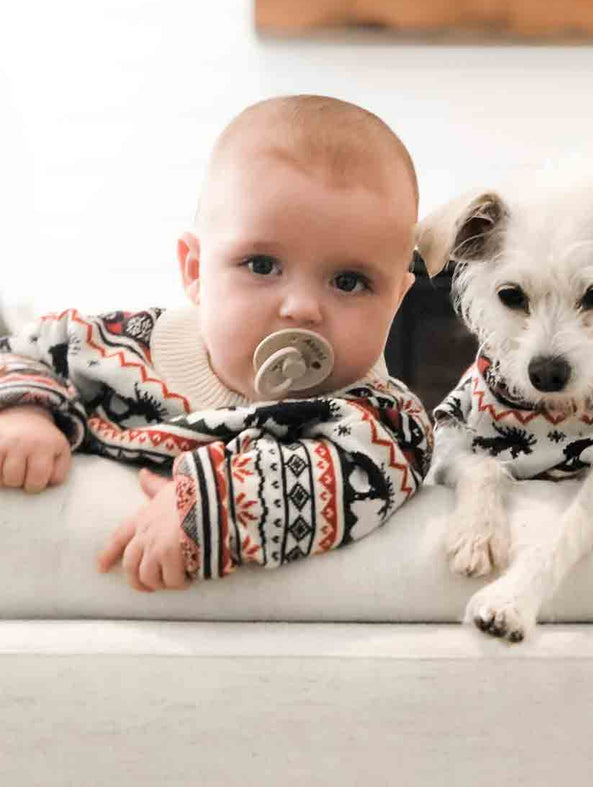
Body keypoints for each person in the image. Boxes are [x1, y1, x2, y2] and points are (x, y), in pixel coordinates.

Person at [0, 95, 432, 591]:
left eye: (349, 281)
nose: (302, 308)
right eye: (262, 266)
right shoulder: (117, 347)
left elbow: (361, 478)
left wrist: (212, 507)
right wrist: (25, 412)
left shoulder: (380, 421)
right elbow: (25, 348)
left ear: (397, 300)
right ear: (194, 271)